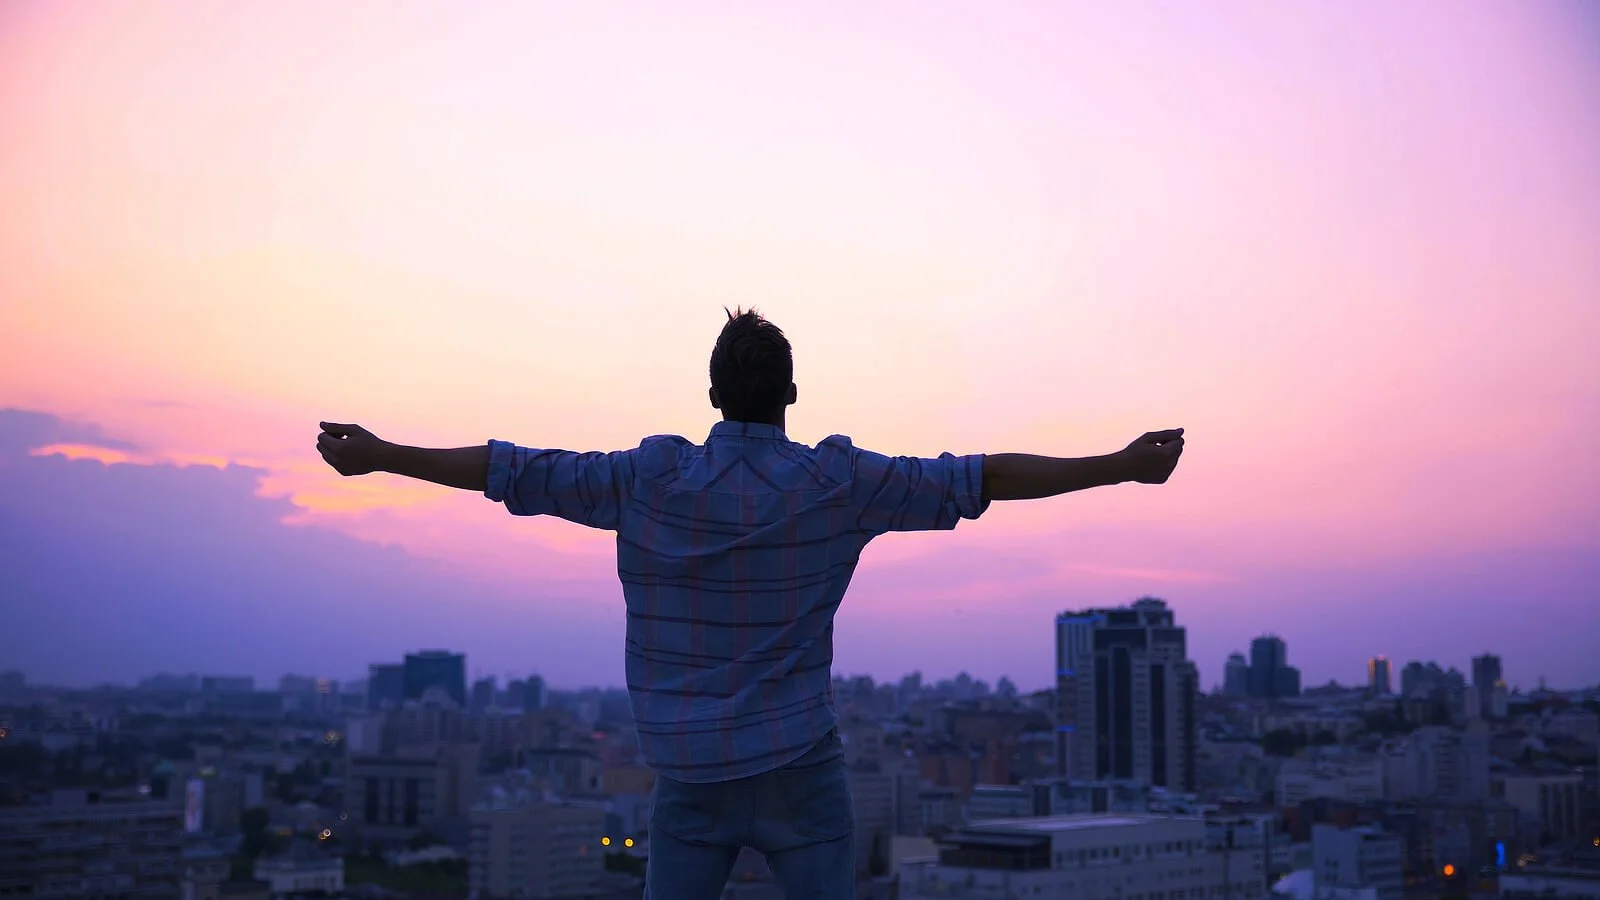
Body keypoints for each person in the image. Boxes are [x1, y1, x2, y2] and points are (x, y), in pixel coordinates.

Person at [316, 308, 1184, 899]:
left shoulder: (648, 479)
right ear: (792, 396)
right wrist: (1118, 465)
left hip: (689, 778)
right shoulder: (835, 482)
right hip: (803, 770)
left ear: (711, 395)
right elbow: (980, 477)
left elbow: (513, 470)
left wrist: (383, 454)